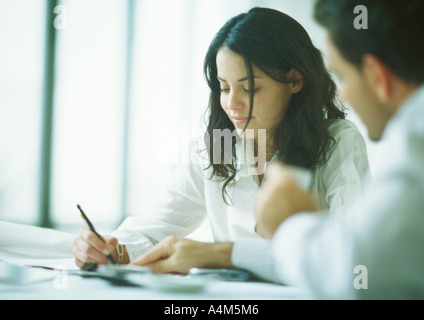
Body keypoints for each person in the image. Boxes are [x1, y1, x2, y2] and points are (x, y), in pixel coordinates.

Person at [72, 7, 369, 276]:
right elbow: (157, 228)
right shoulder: (217, 145)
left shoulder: (337, 141)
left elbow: (352, 252)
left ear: (294, 80)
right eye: (224, 88)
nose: (233, 104)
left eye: (250, 88)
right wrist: (110, 247)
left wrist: (217, 255)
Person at [254, 0, 424, 299]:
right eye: (223, 87)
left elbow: (359, 273)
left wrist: (290, 224)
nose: (342, 96)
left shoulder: (413, 150)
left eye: (342, 77)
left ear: (377, 76)